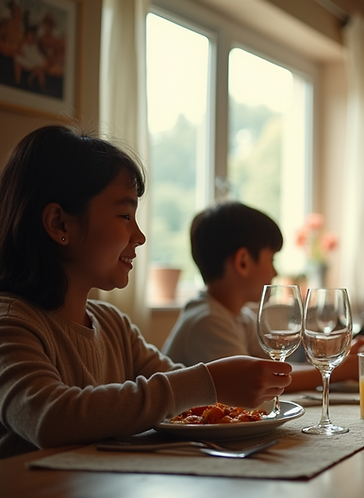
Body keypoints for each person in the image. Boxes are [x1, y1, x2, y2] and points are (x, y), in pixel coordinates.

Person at [0, 125, 289, 458]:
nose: (139, 236)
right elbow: (50, 419)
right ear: (59, 224)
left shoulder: (113, 325)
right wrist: (209, 380)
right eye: (125, 215)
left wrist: (220, 387)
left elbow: (176, 392)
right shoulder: (12, 323)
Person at [162, 202, 364, 387]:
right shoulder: (207, 321)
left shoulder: (239, 316)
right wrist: (341, 370)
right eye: (271, 259)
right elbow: (252, 383)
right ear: (243, 261)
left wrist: (338, 359)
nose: (275, 272)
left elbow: (278, 369)